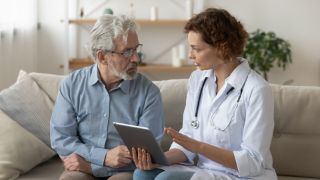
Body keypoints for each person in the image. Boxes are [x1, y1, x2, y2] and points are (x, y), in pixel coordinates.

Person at [132, 8, 277, 180]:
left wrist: (199, 147)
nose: (190, 55)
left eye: (196, 49)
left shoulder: (257, 90)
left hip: (240, 176)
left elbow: (253, 162)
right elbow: (188, 140)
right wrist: (159, 160)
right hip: (204, 171)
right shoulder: (198, 80)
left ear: (221, 47)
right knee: (142, 174)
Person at [50, 14, 164, 180]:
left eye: (136, 49)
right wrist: (103, 157)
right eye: (126, 52)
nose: (135, 58)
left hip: (124, 172)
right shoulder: (72, 85)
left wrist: (91, 167)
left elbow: (149, 155)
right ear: (102, 56)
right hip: (80, 169)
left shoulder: (149, 93)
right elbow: (61, 140)